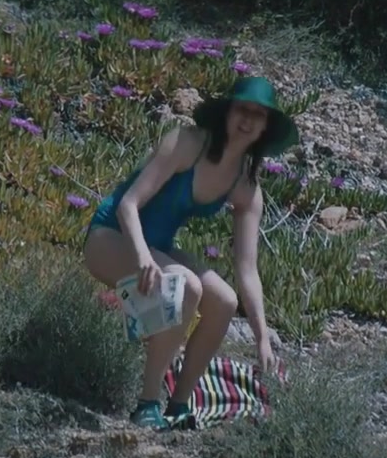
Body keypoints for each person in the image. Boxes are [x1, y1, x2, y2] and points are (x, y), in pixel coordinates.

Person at [83, 76, 299, 430]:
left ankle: (179, 404)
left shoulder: (246, 186)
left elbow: (247, 270)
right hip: (110, 238)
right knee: (186, 287)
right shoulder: (187, 143)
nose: (248, 120)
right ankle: (147, 405)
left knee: (224, 300)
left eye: (258, 115)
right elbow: (128, 205)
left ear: (266, 127)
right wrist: (142, 257)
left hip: (157, 250)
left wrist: (262, 336)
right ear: (226, 112)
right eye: (242, 109)